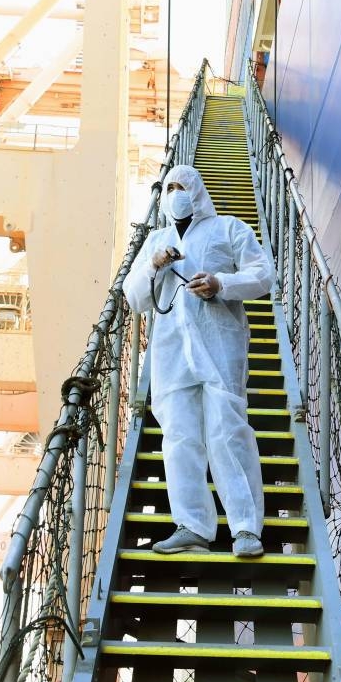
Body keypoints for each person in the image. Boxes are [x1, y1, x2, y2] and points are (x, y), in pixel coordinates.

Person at [123, 164, 275, 557]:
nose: (176, 193)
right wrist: (154, 266)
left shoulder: (229, 228)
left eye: (183, 185)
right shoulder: (156, 240)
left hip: (219, 347)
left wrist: (221, 284)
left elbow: (262, 274)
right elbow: (134, 297)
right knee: (179, 437)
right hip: (172, 353)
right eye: (170, 187)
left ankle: (246, 529)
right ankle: (192, 526)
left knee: (227, 432)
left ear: (198, 190)